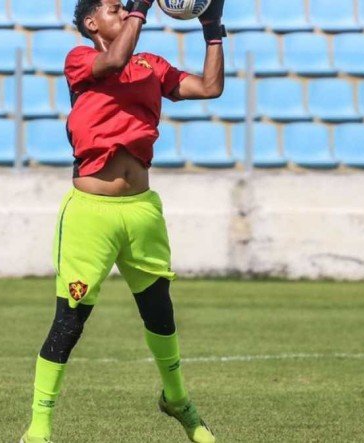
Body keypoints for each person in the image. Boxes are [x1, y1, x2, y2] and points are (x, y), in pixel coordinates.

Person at [20, 0, 225, 441]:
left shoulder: (151, 65)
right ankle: (39, 426)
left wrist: (212, 29)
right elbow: (113, 59)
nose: (126, 10)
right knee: (70, 321)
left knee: (160, 314)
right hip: (90, 214)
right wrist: (143, 8)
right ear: (91, 23)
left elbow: (210, 88)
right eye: (116, 8)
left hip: (141, 210)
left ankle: (177, 400)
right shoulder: (80, 60)